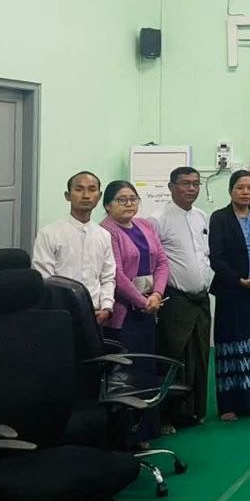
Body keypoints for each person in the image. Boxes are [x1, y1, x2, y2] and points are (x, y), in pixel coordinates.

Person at [99, 180, 170, 441]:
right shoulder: (106, 231)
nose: (129, 204)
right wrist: (142, 302)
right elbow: (116, 275)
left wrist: (157, 294)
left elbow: (162, 262)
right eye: (121, 199)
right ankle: (127, 433)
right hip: (124, 313)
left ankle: (149, 428)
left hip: (149, 309)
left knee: (147, 369)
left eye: (133, 199)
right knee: (126, 372)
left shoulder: (144, 225)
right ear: (108, 205)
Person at [148, 166, 213, 430]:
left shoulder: (202, 216)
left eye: (196, 183)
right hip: (175, 300)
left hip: (201, 299)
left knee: (200, 355)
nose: (192, 188)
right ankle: (167, 417)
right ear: (171, 187)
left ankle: (195, 411)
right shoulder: (157, 219)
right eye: (185, 183)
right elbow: (155, 262)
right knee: (174, 356)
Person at [209, 170, 250, 420]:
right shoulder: (219, 218)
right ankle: (229, 405)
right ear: (230, 191)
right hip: (231, 292)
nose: (245, 192)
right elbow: (217, 257)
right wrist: (239, 281)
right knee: (232, 347)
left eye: (249, 188)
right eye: (240, 187)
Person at [33, 171, 115, 323]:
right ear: (67, 195)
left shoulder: (103, 235)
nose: (86, 195)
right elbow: (44, 278)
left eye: (92, 190)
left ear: (99, 196)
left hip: (95, 314)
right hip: (60, 313)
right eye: (79, 189)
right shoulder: (49, 233)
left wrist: (107, 308)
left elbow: (108, 277)